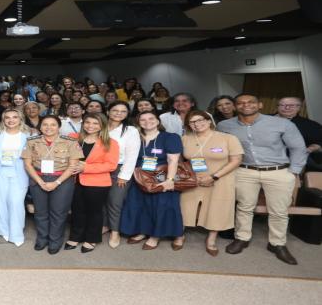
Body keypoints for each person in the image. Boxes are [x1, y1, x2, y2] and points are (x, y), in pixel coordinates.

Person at [217, 94, 307, 265]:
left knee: (279, 211)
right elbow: (221, 149)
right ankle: (242, 238)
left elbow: (298, 148)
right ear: (235, 107)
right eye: (241, 103)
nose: (246, 105)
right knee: (244, 207)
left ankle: (277, 244)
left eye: (251, 102)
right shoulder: (224, 125)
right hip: (244, 171)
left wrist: (293, 172)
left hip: (278, 172)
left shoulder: (282, 123)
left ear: (260, 104)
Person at [180, 110, 243, 256]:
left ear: (209, 121)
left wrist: (214, 177)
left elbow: (236, 160)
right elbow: (180, 160)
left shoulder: (228, 138)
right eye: (192, 122)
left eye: (201, 120)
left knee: (217, 208)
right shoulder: (185, 139)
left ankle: (211, 239)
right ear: (188, 125)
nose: (197, 124)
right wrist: (189, 176)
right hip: (193, 179)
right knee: (184, 206)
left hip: (220, 179)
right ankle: (179, 234)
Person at [120, 111, 184, 250]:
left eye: (151, 118)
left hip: (161, 177)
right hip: (139, 178)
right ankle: (143, 231)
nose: (147, 121)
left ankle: (155, 236)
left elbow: (173, 159)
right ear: (138, 122)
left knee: (161, 207)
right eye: (142, 119)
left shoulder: (170, 137)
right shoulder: (135, 137)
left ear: (158, 121)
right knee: (140, 206)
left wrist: (170, 180)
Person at [22, 115, 81, 254]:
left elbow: (73, 166)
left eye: (53, 124)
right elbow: (27, 164)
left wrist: (57, 182)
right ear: (40, 127)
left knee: (58, 213)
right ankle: (42, 238)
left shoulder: (70, 142)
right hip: (38, 179)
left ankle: (55, 240)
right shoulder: (31, 141)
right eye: (45, 124)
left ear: (59, 127)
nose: (49, 128)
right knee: (40, 212)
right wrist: (40, 181)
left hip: (63, 180)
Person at [65, 113, 119, 253]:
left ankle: (91, 239)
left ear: (102, 125)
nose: (90, 126)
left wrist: (86, 168)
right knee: (77, 210)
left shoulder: (110, 143)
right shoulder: (74, 137)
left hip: (98, 183)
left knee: (94, 212)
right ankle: (75, 236)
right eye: (88, 122)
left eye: (95, 123)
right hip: (74, 181)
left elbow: (111, 165)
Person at [0, 109, 31, 247]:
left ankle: (16, 233)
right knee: (0, 202)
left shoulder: (29, 134)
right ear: (3, 119)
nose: (11, 120)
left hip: (20, 172)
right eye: (7, 117)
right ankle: (3, 230)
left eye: (14, 117)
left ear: (20, 119)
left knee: (16, 202)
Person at [104, 101, 141, 248]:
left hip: (119, 170)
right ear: (108, 111)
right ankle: (105, 225)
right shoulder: (101, 126)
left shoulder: (130, 130)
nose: (118, 113)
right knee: (101, 200)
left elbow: (132, 155)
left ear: (127, 114)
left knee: (115, 201)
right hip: (99, 169)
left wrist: (124, 176)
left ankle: (115, 232)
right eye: (115, 110)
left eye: (123, 111)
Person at [275, 96, 322, 171]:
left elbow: (319, 142)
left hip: (290, 162)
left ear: (299, 108)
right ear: (277, 107)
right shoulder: (262, 119)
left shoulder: (311, 125)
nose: (287, 108)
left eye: (292, 105)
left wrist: (311, 148)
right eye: (282, 105)